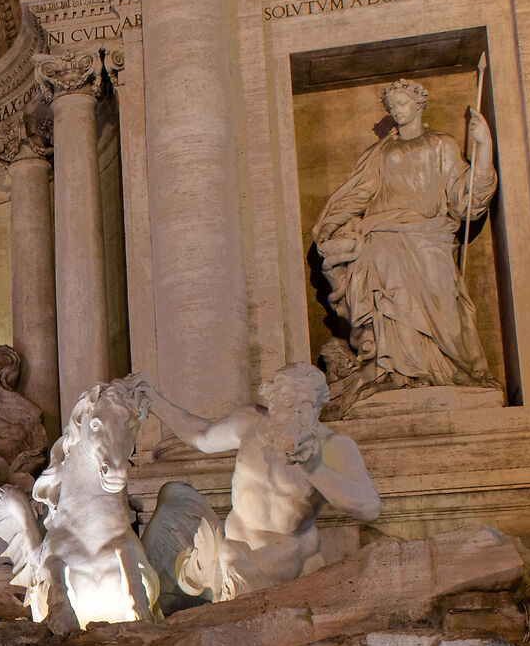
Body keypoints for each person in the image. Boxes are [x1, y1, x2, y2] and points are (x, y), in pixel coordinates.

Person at [313, 77, 497, 412]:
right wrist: (330, 225)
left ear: (419, 104)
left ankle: (450, 370)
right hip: (382, 237)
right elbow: (359, 194)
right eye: (392, 106)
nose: (397, 111)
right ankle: (397, 370)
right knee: (391, 305)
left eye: (403, 104)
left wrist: (483, 147)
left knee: (444, 304)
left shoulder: (442, 144)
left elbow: (465, 198)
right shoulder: (380, 152)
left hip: (429, 236)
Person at [134, 364, 382, 600]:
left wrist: (315, 468)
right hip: (232, 552)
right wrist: (155, 402)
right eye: (290, 403)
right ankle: (192, 575)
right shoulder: (249, 424)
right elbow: (202, 435)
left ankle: (196, 576)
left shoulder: (331, 446)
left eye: (310, 407)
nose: (300, 414)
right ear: (273, 403)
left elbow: (369, 507)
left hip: (284, 568)